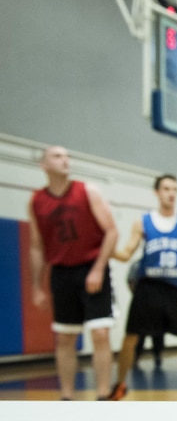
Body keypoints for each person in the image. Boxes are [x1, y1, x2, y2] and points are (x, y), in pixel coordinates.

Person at [27, 145, 119, 400]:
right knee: (65, 337)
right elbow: (36, 246)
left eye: (68, 156)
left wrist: (98, 269)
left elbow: (111, 231)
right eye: (57, 156)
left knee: (100, 333)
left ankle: (103, 395)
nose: (65, 160)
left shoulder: (87, 191)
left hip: (91, 267)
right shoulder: (37, 201)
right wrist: (37, 286)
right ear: (43, 165)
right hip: (61, 272)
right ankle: (66, 397)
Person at [107, 174, 177, 400]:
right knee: (130, 338)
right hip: (148, 288)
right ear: (157, 192)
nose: (171, 193)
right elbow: (125, 254)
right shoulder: (142, 222)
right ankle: (120, 384)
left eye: (174, 189)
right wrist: (105, 247)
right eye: (166, 189)